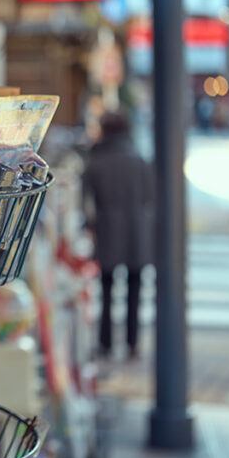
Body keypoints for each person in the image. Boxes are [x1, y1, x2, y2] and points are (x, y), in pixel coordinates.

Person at [83, 111, 154, 359]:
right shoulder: (140, 160)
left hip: (108, 231)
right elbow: (150, 196)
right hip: (137, 232)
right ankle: (133, 343)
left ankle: (106, 343)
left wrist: (89, 226)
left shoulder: (96, 161)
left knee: (106, 290)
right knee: (135, 290)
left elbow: (87, 202)